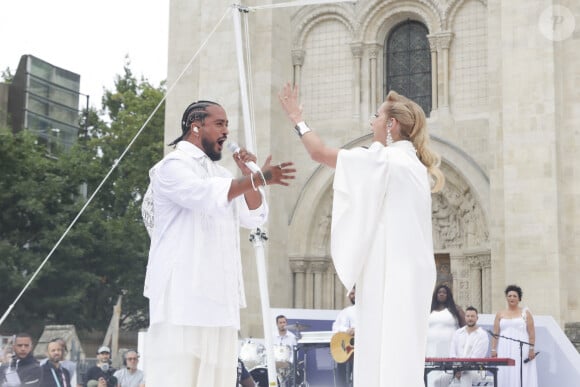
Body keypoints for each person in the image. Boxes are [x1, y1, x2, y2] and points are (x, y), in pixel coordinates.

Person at [278, 83, 444, 386]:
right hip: (415, 272)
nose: (372, 122)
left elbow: (318, 153)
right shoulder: (415, 165)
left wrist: (296, 119)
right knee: (402, 352)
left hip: (390, 270)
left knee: (384, 348)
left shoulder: (385, 160)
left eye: (376, 116)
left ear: (392, 124)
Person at [142, 100, 295, 387]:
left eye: (227, 124)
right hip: (182, 299)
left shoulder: (222, 175)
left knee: (219, 380)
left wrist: (251, 177)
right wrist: (257, 179)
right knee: (178, 378)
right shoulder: (172, 166)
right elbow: (204, 196)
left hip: (218, 299)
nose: (226, 131)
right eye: (220, 123)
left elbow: (254, 217)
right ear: (196, 126)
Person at [491, 284, 538, 387]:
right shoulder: (500, 313)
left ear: (519, 298)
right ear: (506, 298)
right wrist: (493, 349)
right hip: (504, 347)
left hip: (521, 348)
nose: (511, 298)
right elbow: (495, 333)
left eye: (514, 296)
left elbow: (531, 332)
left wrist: (531, 349)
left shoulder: (526, 313)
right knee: (505, 371)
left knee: (520, 371)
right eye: (509, 295)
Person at [426, 284, 466, 387]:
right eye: (439, 292)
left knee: (447, 375)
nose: (442, 294)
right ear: (436, 295)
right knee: (432, 375)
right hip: (431, 349)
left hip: (449, 349)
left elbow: (465, 328)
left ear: (448, 295)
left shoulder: (455, 309)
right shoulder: (429, 309)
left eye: (444, 292)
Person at [448, 306, 489, 387]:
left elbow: (476, 358)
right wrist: (456, 369)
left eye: (472, 316)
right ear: (465, 317)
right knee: (437, 381)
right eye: (468, 316)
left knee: (464, 379)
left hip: (475, 370)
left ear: (477, 318)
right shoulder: (458, 333)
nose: (470, 318)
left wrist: (460, 370)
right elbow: (452, 353)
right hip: (456, 370)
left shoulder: (482, 335)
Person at [332, 286, 356, 387]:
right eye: (351, 294)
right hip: (348, 350)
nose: (353, 296)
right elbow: (336, 327)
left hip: (365, 350)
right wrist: (347, 330)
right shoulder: (347, 311)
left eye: (355, 293)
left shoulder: (370, 311)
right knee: (342, 379)